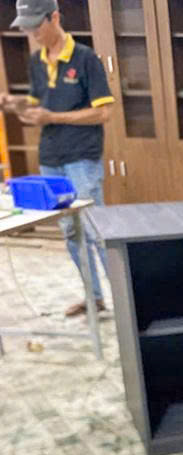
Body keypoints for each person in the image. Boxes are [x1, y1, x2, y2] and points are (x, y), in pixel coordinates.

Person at [0, 0, 115, 317]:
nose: (32, 33)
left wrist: (53, 117)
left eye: (36, 25)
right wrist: (14, 104)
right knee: (70, 232)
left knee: (95, 231)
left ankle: (127, 301)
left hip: (82, 158)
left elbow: (104, 112)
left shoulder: (85, 58)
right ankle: (94, 298)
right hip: (51, 157)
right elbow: (37, 105)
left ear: (54, 17)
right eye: (26, 27)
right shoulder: (37, 61)